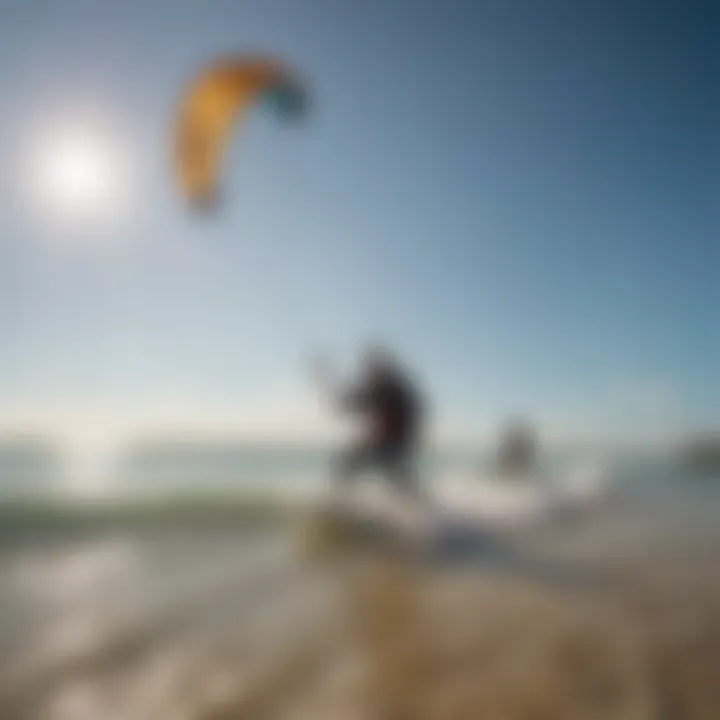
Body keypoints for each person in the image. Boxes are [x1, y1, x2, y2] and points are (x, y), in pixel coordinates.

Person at [312, 346, 425, 504]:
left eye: (370, 371)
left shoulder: (388, 388)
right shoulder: (390, 387)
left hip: (388, 444)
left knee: (347, 465)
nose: (368, 375)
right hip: (390, 444)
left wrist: (342, 399)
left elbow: (356, 402)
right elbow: (354, 402)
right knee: (397, 480)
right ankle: (422, 507)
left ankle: (337, 504)